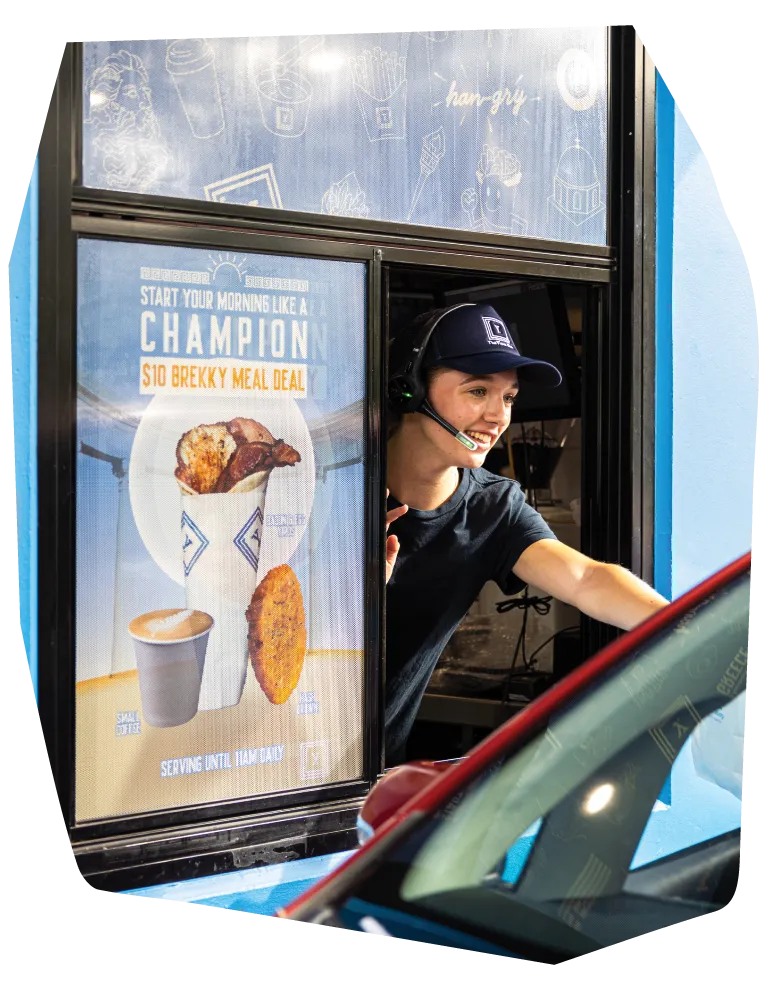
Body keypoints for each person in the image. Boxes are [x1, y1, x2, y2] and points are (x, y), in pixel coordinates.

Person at [384, 302, 669, 764]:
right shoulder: (336, 488)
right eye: (478, 391)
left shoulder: (493, 507)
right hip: (272, 754)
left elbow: (586, 579)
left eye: (509, 398)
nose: (498, 416)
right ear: (409, 390)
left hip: (371, 772)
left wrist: (685, 628)